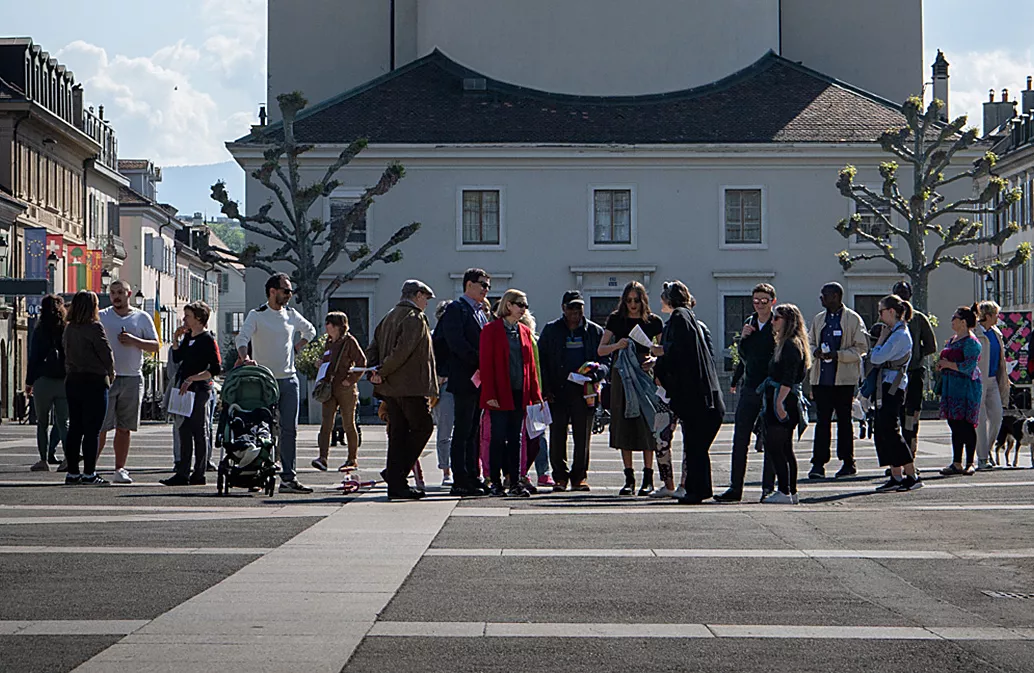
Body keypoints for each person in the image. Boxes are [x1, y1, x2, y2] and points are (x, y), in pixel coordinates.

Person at [235, 273, 317, 493]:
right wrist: (245, 358)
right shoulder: (257, 315)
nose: (289, 295)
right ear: (273, 291)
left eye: (290, 291)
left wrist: (298, 347)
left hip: (289, 380)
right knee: (262, 429)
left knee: (289, 430)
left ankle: (289, 478)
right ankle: (259, 473)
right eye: (286, 291)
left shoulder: (291, 314)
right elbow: (242, 338)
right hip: (263, 381)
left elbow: (311, 330)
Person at [652, 281, 725, 504]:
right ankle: (700, 489)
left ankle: (696, 491)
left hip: (694, 396)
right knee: (697, 447)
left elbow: (679, 352)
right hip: (704, 395)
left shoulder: (679, 318)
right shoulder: (689, 316)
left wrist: (660, 354)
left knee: (694, 445)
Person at [366, 280, 439, 500]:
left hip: (390, 388)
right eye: (426, 298)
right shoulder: (414, 318)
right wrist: (383, 370)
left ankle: (396, 484)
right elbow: (402, 351)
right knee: (422, 427)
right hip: (409, 386)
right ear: (417, 295)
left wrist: (375, 372)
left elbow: (373, 348)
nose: (426, 303)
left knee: (397, 434)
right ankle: (395, 474)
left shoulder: (388, 317)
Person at [538, 290, 609, 492]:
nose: (575, 312)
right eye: (571, 307)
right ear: (563, 308)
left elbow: (606, 360)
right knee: (558, 434)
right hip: (557, 391)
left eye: (579, 307)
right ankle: (560, 477)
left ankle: (579, 477)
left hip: (585, 391)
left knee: (583, 436)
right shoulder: (551, 330)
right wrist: (545, 388)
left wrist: (597, 374)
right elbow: (540, 361)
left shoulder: (595, 331)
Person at [598, 281, 664, 495]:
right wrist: (617, 345)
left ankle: (648, 477)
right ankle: (629, 477)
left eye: (636, 300)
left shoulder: (653, 321)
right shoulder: (616, 319)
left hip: (645, 374)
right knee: (624, 422)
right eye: (629, 301)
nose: (633, 304)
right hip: (623, 374)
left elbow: (663, 349)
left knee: (647, 423)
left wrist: (653, 359)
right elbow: (601, 350)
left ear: (643, 300)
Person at [715, 283, 778, 503]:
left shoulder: (777, 323)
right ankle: (735, 488)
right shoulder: (749, 323)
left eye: (764, 300)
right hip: (750, 386)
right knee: (740, 438)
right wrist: (743, 339)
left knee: (770, 438)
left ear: (773, 301)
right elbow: (743, 356)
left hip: (770, 387)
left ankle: (768, 488)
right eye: (756, 301)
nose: (760, 305)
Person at [479, 289, 544, 497]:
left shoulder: (524, 331)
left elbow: (530, 365)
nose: (524, 309)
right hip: (498, 393)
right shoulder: (491, 330)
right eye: (520, 305)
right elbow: (486, 365)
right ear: (508, 306)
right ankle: (495, 482)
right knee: (498, 437)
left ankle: (515, 481)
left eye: (525, 305)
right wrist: (489, 394)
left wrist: (536, 394)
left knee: (516, 438)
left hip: (519, 392)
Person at [97, 279, 161, 484]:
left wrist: (135, 341)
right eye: (112, 292)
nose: (116, 296)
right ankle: (90, 468)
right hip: (106, 378)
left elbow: (155, 345)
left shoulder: (141, 317)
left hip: (132, 378)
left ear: (129, 294)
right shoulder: (102, 316)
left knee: (124, 427)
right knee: (100, 427)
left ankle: (120, 469)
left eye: (120, 292)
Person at [437, 268, 492, 496]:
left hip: (478, 379)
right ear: (469, 284)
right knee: (461, 430)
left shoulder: (480, 312)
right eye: (483, 284)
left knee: (473, 430)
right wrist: (479, 359)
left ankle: (472, 475)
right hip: (464, 378)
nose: (486, 289)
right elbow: (455, 342)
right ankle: (460, 478)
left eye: (488, 285)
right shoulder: (456, 309)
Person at [807, 282, 869, 480]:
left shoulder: (853, 319)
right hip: (821, 380)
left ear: (835, 296)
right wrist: (815, 351)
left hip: (844, 380)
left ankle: (848, 462)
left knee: (845, 421)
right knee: (822, 422)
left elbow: (861, 348)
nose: (821, 299)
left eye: (824, 295)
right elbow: (809, 342)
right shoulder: (819, 319)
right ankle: (818, 463)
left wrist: (838, 355)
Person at [161, 302, 222, 486]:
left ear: (198, 319)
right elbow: (179, 358)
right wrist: (175, 340)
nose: (184, 319)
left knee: (199, 430)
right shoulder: (189, 338)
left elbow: (215, 368)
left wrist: (193, 378)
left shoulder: (207, 340)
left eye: (187, 316)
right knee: (183, 429)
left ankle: (199, 472)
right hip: (184, 389)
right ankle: (182, 472)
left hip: (199, 389)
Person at [867, 295, 923, 491]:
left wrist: (880, 340)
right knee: (883, 430)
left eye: (881, 311)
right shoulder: (897, 332)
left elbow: (876, 357)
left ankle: (911, 474)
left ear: (892, 312)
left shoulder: (899, 335)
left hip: (893, 387)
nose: (880, 316)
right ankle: (896, 474)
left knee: (891, 430)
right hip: (888, 386)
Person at [62, 291, 115, 485]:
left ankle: (73, 472)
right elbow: (105, 352)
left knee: (75, 427)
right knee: (92, 430)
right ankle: (89, 473)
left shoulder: (69, 328)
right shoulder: (94, 327)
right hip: (94, 381)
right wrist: (111, 371)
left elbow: (66, 353)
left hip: (73, 380)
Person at [759, 303, 810, 504]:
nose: (773, 321)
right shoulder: (789, 343)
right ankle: (790, 490)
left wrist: (779, 403)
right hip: (783, 397)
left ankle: (785, 490)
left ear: (788, 321)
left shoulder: (790, 345)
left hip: (784, 399)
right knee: (784, 447)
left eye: (777, 318)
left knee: (776, 446)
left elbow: (788, 378)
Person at [313, 311, 366, 472]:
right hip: (329, 387)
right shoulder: (329, 341)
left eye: (329, 323)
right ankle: (322, 458)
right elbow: (329, 360)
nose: (327, 326)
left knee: (348, 424)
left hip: (345, 389)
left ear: (337, 326)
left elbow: (362, 362)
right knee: (326, 423)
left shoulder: (349, 341)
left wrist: (350, 380)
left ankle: (352, 459)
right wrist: (321, 364)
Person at [890, 281, 937, 456]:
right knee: (895, 414)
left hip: (914, 373)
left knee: (912, 414)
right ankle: (898, 456)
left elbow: (931, 345)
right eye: (898, 293)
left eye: (904, 292)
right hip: (893, 374)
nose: (901, 296)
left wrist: (915, 355)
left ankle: (910, 452)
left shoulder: (918, 318)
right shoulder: (889, 318)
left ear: (910, 295)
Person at [938, 305, 983, 476]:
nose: (952, 320)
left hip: (967, 388)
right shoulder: (952, 340)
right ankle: (956, 462)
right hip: (951, 387)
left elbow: (969, 366)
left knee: (966, 424)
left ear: (963, 322)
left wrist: (948, 364)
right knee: (954, 423)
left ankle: (970, 462)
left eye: (955, 317)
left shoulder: (972, 342)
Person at [26, 294, 69, 472]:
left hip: (43, 381)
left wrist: (29, 382)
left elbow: (34, 358)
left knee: (42, 423)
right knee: (63, 422)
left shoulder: (40, 329)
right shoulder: (67, 329)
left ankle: (43, 460)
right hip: (64, 381)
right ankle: (68, 459)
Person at [974, 301, 1009, 471]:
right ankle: (982, 457)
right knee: (980, 419)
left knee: (997, 416)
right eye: (995, 314)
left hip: (993, 379)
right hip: (979, 380)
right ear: (987, 316)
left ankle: (986, 451)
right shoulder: (975, 332)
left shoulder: (996, 333)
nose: (998, 317)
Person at [431, 300, 455, 487]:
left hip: (460, 384)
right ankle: (446, 469)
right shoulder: (433, 337)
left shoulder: (459, 334)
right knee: (445, 429)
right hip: (443, 387)